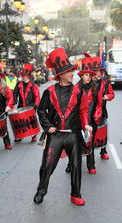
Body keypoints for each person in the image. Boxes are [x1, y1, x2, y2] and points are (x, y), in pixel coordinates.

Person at [34, 48, 91, 206]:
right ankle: (41, 191)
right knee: (47, 165)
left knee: (76, 166)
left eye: (72, 71)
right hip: (55, 135)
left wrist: (86, 124)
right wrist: (48, 126)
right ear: (60, 75)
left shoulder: (79, 92)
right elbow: (40, 110)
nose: (72, 74)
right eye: (69, 72)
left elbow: (84, 111)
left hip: (73, 135)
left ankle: (76, 194)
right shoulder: (49, 92)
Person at [66, 56, 102, 174]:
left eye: (90, 75)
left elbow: (99, 104)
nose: (88, 77)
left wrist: (97, 114)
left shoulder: (95, 88)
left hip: (91, 120)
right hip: (77, 120)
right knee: (75, 143)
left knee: (90, 143)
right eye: (86, 75)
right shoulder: (75, 88)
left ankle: (91, 165)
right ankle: (71, 164)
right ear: (81, 76)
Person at [89, 54, 114, 160]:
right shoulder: (87, 83)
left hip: (102, 112)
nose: (99, 74)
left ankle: (103, 151)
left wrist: (107, 96)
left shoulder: (106, 83)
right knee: (87, 134)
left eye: (100, 72)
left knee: (102, 131)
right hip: (89, 113)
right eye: (97, 71)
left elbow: (112, 94)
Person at [13, 64, 40, 143]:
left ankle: (34, 135)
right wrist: (14, 101)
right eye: (22, 75)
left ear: (28, 76)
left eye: (25, 75)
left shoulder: (33, 85)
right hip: (21, 105)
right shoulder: (19, 84)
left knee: (31, 121)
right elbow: (15, 93)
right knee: (20, 121)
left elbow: (37, 96)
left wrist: (35, 105)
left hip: (30, 106)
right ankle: (20, 136)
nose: (23, 77)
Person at [0, 64, 14, 150]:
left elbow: (10, 97)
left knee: (4, 126)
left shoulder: (4, 87)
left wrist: (8, 106)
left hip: (2, 110)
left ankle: (7, 143)